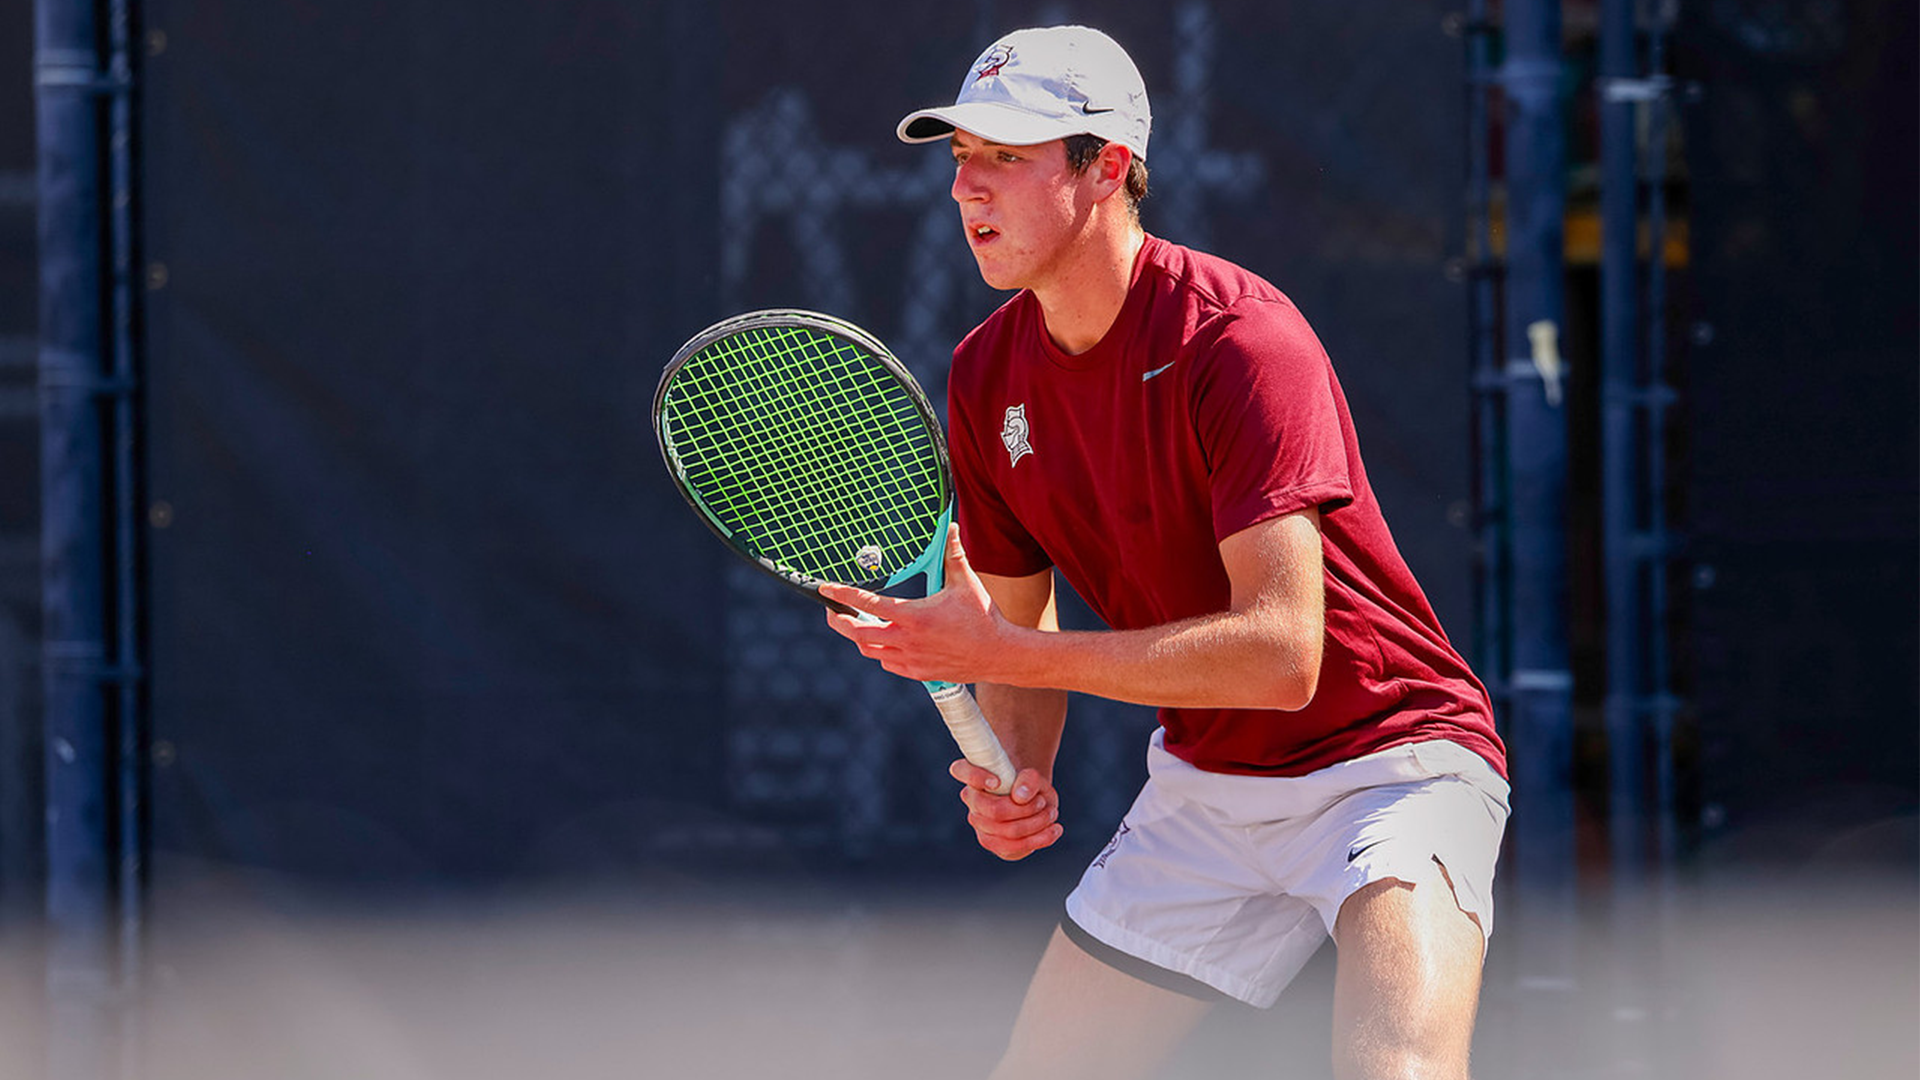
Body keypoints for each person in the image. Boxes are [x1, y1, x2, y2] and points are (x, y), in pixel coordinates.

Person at [820, 24, 1510, 1080]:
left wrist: (1006, 653)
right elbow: (1017, 630)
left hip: (1392, 763)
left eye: (1006, 155)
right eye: (960, 156)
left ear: (1107, 168)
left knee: (1397, 1071)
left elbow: (1281, 656)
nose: (966, 188)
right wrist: (1018, 769)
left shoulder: (1241, 342)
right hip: (1209, 784)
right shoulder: (984, 375)